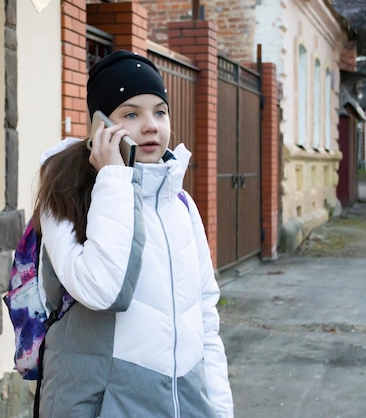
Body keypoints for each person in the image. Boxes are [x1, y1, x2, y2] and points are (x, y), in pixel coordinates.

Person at [32, 50, 233, 417]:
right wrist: (114, 178)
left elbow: (205, 318)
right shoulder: (65, 196)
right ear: (100, 125)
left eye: (159, 111)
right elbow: (103, 289)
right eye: (131, 114)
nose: (152, 125)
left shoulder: (182, 206)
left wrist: (219, 410)